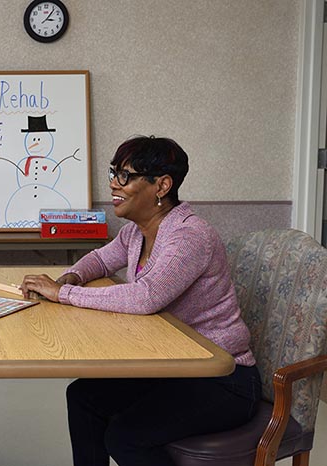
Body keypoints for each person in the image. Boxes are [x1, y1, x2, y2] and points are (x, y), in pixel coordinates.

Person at [20, 136, 261, 466]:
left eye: (125, 176)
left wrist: (62, 294)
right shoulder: (137, 231)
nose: (114, 185)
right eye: (113, 173)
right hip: (175, 367)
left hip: (223, 379)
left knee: (126, 437)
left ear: (161, 185)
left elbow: (145, 296)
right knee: (82, 397)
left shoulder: (190, 236)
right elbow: (101, 260)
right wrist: (70, 277)